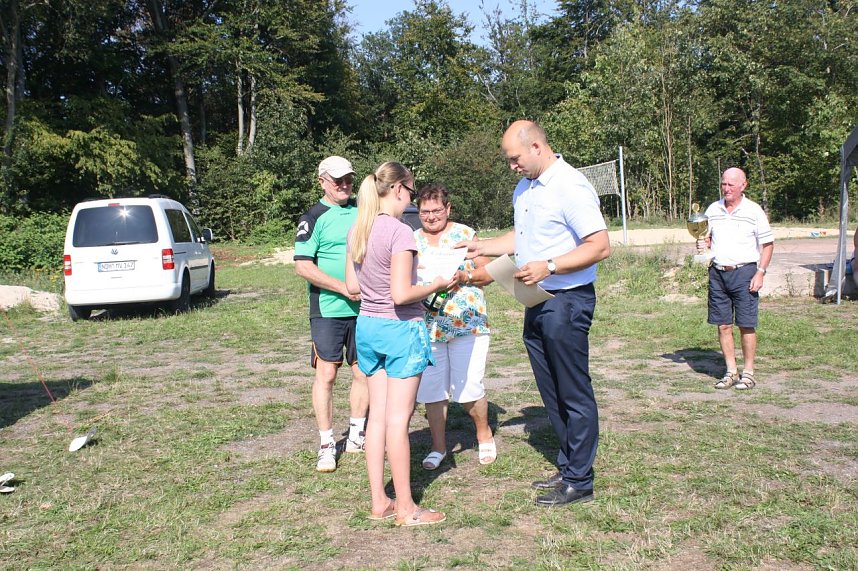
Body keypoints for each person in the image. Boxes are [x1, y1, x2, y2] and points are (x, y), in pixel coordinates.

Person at [458, 120, 611, 507]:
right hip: (536, 299)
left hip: (567, 300)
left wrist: (552, 266)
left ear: (538, 147)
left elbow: (599, 245)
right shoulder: (524, 188)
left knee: (573, 391)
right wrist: (485, 247)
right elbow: (523, 235)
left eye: (515, 158)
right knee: (552, 391)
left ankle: (581, 479)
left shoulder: (570, 186)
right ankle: (569, 466)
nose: (512, 166)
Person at [345, 161, 457, 527]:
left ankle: (380, 501)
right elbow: (401, 293)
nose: (411, 199)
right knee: (398, 420)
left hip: (367, 327)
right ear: (398, 190)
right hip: (400, 330)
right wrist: (436, 285)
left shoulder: (358, 228)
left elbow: (352, 287)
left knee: (376, 417)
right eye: (411, 192)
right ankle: (407, 507)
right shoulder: (400, 232)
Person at [413, 183, 496, 471]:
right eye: (425, 211)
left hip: (467, 325)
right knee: (432, 392)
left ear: (448, 209)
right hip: (427, 327)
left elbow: (488, 273)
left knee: (469, 388)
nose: (432, 216)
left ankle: (484, 435)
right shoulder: (411, 239)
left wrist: (464, 276)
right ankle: (438, 447)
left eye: (437, 210)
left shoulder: (465, 234)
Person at [294, 156, 369, 473]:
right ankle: (326, 444)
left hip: (365, 307)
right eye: (337, 179)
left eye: (348, 178)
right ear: (321, 180)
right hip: (328, 309)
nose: (344, 185)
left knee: (363, 373)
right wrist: (342, 287)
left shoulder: (364, 212)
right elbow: (303, 265)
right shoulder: (312, 217)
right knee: (326, 374)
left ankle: (357, 434)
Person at [701, 167, 774, 390]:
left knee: (746, 324)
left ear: (744, 185)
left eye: (731, 184)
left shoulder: (753, 211)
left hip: (745, 273)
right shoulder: (713, 209)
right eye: (724, 184)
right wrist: (704, 245)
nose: (726, 188)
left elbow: (768, 245)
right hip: (718, 273)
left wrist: (760, 272)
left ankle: (749, 372)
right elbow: (708, 238)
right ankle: (731, 371)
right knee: (723, 325)